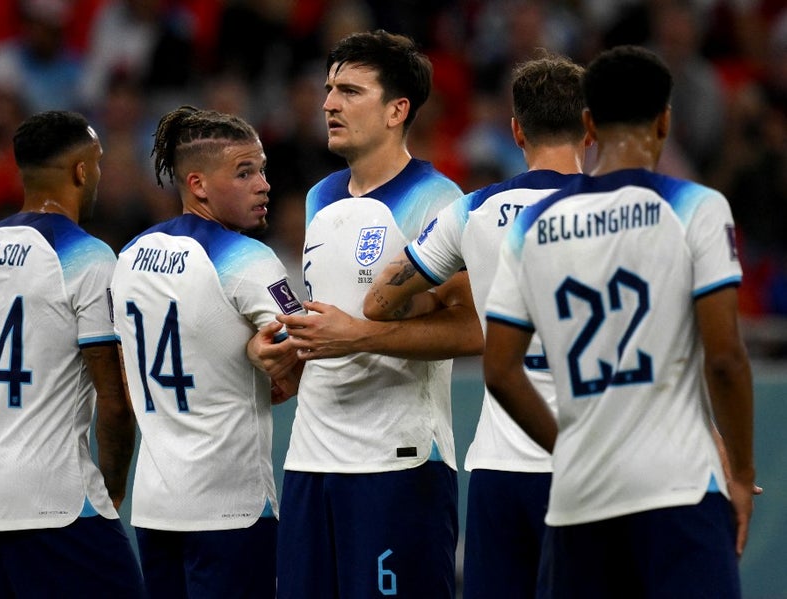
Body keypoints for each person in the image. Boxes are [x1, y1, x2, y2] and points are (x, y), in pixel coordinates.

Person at [482, 45, 755, 597]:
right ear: (665, 122)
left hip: (580, 498)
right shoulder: (696, 206)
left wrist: (567, 448)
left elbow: (500, 370)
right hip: (678, 490)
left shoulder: (533, 225)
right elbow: (725, 358)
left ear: (588, 125)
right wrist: (743, 474)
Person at [252, 30, 479, 598]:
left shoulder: (437, 199)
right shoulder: (320, 196)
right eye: (329, 89)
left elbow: (472, 326)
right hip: (309, 459)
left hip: (397, 463)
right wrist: (284, 351)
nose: (330, 103)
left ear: (397, 110)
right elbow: (331, 318)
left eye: (351, 91)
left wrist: (359, 336)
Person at [363, 52, 589, 599]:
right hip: (591, 464)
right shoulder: (625, 213)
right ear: (589, 127)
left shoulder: (473, 212)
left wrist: (452, 290)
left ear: (516, 131)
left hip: (500, 467)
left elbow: (379, 301)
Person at [0, 110, 145, 598]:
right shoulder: (88, 257)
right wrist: (112, 489)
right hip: (56, 501)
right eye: (98, 163)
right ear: (81, 171)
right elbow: (114, 402)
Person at [110, 105, 303, 599]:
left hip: (155, 505)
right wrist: (270, 362)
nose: (263, 185)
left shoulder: (129, 256)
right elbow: (302, 348)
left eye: (262, 170)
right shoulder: (248, 260)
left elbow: (126, 370)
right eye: (244, 173)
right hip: (230, 506)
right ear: (197, 184)